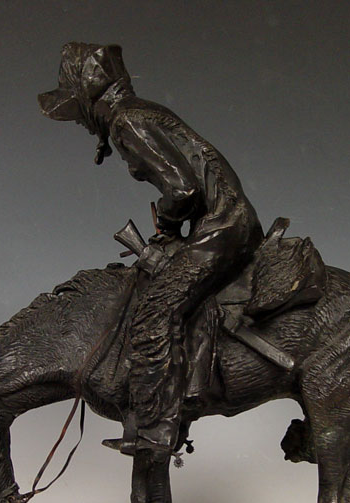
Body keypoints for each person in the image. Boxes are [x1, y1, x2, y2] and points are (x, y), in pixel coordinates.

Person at [39, 43, 263, 454]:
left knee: (154, 313)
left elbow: (183, 189)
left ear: (88, 99)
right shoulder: (140, 112)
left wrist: (169, 223)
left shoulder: (126, 122)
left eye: (76, 110)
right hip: (226, 223)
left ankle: (157, 427)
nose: (81, 124)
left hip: (223, 228)